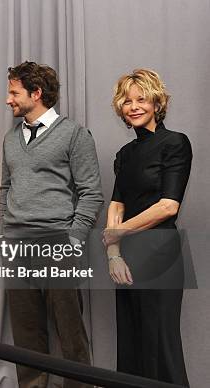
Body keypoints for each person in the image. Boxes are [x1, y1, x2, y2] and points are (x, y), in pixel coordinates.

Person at [0, 61, 103, 388]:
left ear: (36, 93)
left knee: (70, 333)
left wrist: (73, 239)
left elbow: (92, 193)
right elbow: (6, 188)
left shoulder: (74, 134)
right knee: (27, 335)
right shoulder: (11, 139)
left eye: (14, 92)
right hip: (17, 245)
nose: (8, 100)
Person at [103, 69, 191, 385]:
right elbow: (116, 203)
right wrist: (113, 253)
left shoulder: (175, 143)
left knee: (159, 346)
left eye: (141, 99)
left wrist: (118, 233)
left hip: (160, 253)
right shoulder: (125, 154)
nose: (134, 106)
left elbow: (169, 206)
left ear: (156, 103)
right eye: (127, 100)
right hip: (127, 258)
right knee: (131, 344)